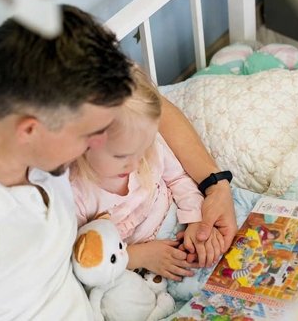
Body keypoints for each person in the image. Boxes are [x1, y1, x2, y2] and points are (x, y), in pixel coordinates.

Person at [0, 5, 236, 320]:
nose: (96, 147)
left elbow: (153, 109)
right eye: (89, 135)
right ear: (30, 130)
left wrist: (215, 185)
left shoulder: (13, 111)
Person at [70, 66, 225, 283]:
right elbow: (85, 259)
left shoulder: (146, 147)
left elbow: (178, 178)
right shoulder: (77, 195)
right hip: (131, 262)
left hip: (176, 220)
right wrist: (136, 257)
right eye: (121, 156)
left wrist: (195, 218)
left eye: (143, 149)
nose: (135, 164)